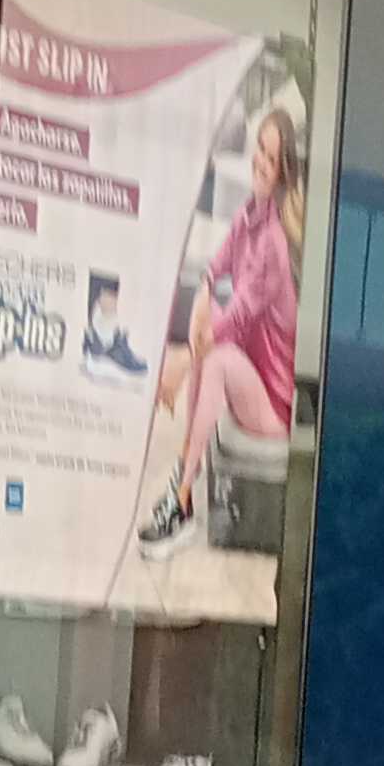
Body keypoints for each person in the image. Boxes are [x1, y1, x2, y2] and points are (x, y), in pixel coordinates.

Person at [141, 103, 303, 549]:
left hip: (273, 406)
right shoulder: (251, 215)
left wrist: (180, 365)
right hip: (251, 380)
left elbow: (236, 321)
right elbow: (216, 267)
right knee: (210, 321)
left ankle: (181, 499)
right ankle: (185, 477)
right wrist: (203, 294)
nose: (260, 163)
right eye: (260, 150)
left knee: (217, 359)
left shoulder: (274, 244)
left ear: (284, 171)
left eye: (272, 158)